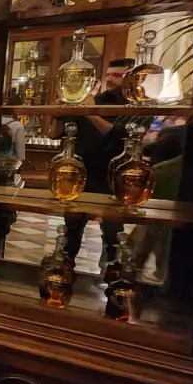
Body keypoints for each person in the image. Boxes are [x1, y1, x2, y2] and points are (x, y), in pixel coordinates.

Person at [50, 57, 141, 268]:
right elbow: (55, 134)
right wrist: (59, 115)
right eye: (108, 74)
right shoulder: (95, 100)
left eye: (117, 75)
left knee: (112, 233)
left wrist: (90, 113)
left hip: (112, 178)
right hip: (80, 175)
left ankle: (113, 277)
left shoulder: (132, 108)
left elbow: (118, 137)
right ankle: (63, 272)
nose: (110, 79)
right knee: (71, 229)